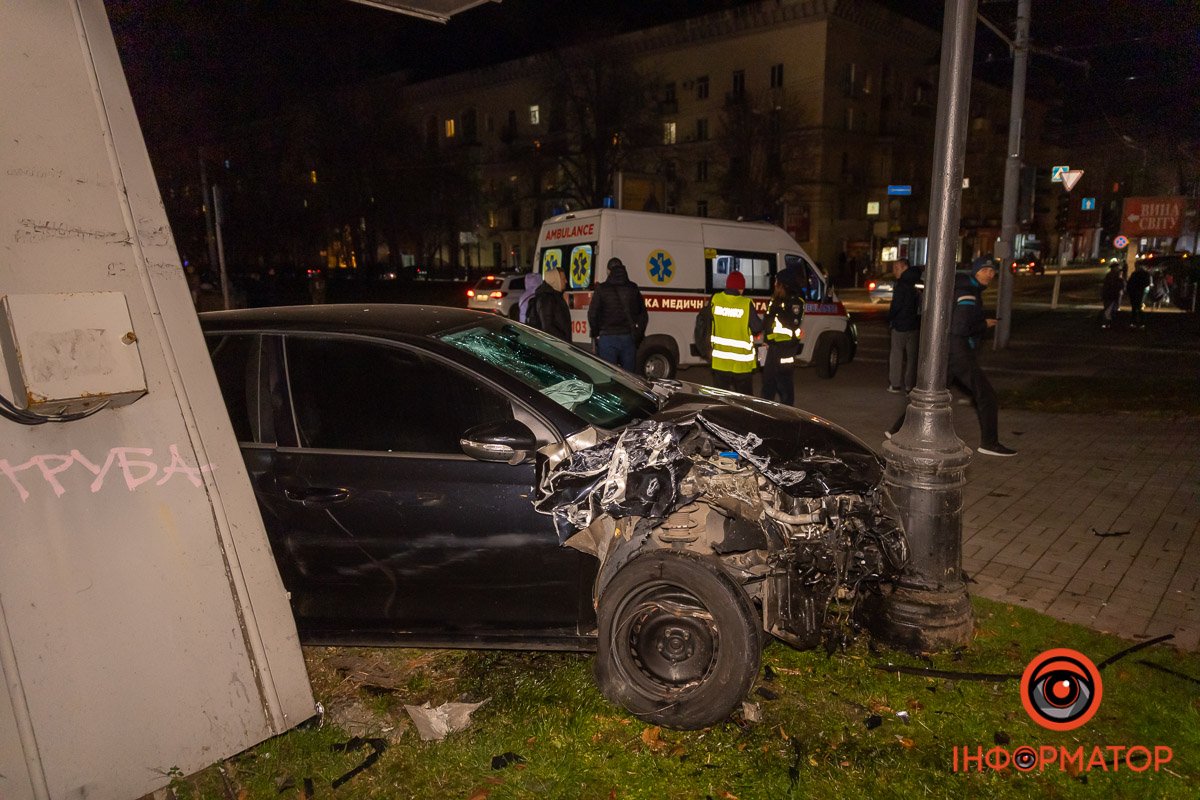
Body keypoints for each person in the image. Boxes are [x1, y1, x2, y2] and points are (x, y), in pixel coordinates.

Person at [693, 270, 763, 394]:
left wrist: (704, 348)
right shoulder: (746, 304)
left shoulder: (716, 299)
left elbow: (703, 321)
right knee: (744, 402)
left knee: (722, 400)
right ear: (741, 288)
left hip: (720, 363)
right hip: (741, 365)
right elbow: (757, 327)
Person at [587, 257, 648, 371]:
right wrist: (638, 336)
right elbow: (643, 315)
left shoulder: (601, 288)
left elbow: (592, 314)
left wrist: (596, 333)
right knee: (629, 377)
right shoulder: (632, 287)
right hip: (628, 338)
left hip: (607, 338)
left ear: (608, 271)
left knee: (608, 374)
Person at [760, 269, 804, 405]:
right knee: (767, 389)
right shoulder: (774, 301)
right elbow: (767, 323)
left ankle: (788, 420)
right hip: (770, 348)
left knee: (785, 390)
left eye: (777, 282)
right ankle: (766, 418)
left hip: (785, 350)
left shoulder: (795, 301)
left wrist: (778, 311)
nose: (774, 284)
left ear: (783, 284)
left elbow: (792, 323)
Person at [885, 258, 921, 393]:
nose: (894, 271)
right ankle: (910, 386)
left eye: (896, 268)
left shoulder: (902, 284)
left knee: (896, 354)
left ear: (904, 267)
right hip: (915, 324)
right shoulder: (918, 282)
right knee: (912, 357)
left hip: (900, 324)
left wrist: (890, 318)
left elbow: (897, 305)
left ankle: (895, 384)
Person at [526, 267, 572, 341]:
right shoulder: (546, 299)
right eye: (563, 279)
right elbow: (548, 327)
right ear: (555, 280)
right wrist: (563, 342)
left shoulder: (556, 296)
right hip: (555, 345)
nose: (566, 281)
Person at [1126, 261, 1150, 328]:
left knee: (1137, 308)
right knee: (1137, 308)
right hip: (1137, 292)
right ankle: (1139, 323)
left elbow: (1130, 283)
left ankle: (1137, 322)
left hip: (1137, 292)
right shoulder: (1142, 274)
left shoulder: (1139, 274)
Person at [1101, 262, 1124, 329]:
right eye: (1117, 268)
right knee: (1109, 310)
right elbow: (1120, 285)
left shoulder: (1109, 275)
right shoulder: (1115, 276)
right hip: (1112, 295)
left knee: (1108, 309)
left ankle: (1107, 324)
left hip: (1109, 295)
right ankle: (1107, 323)